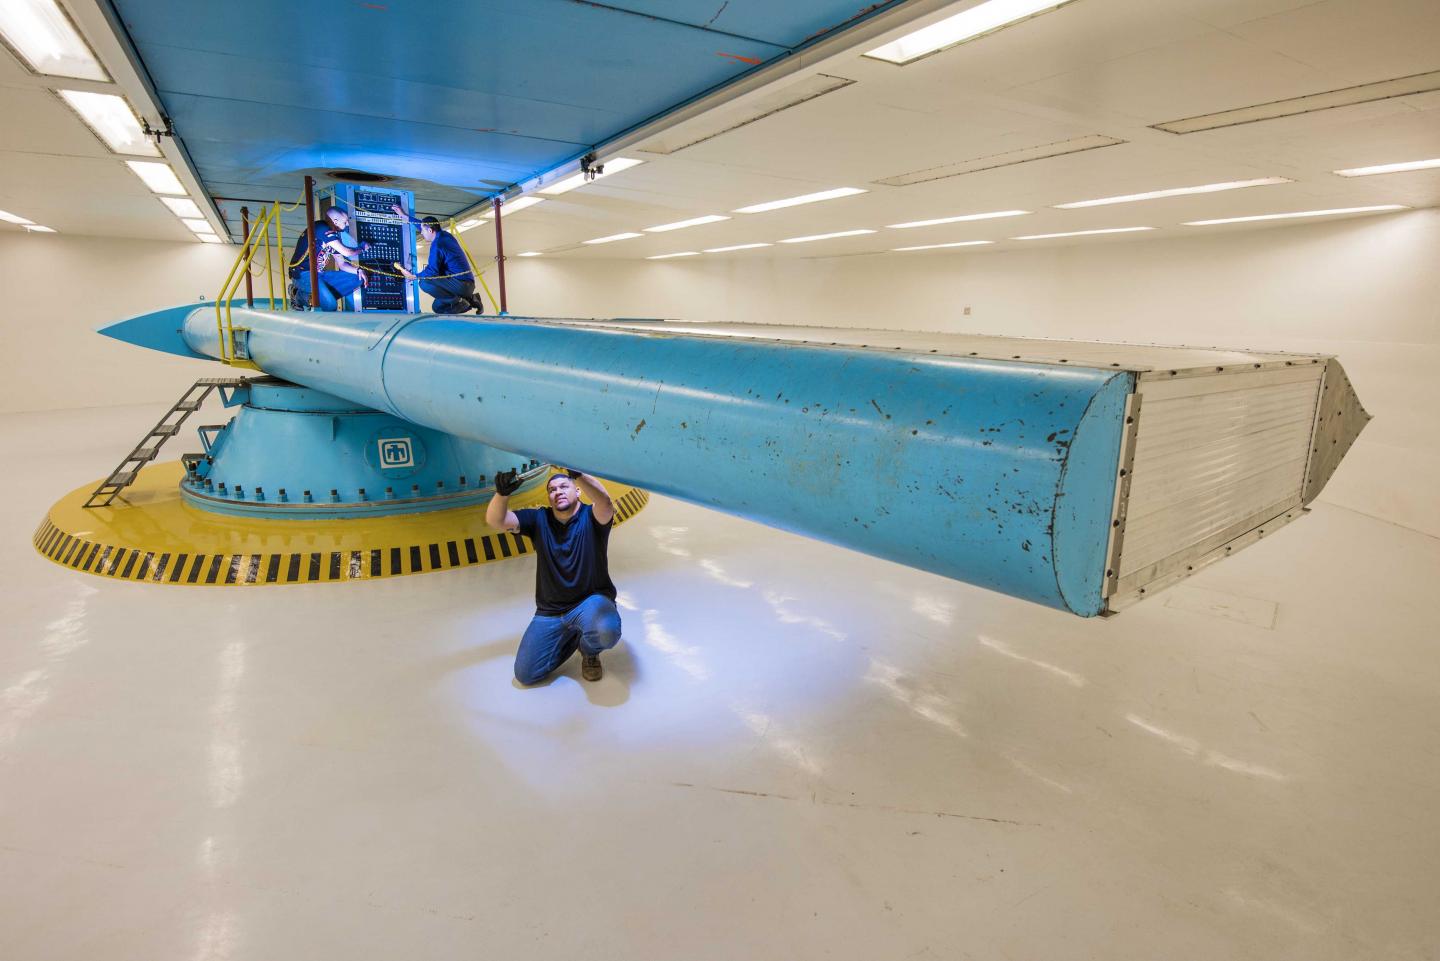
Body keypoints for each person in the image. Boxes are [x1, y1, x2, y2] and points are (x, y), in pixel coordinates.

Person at [487, 468, 621, 684]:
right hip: (550, 611)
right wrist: (502, 494)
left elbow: (605, 502)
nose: (557, 491)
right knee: (525, 675)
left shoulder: (592, 517)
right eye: (552, 490)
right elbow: (497, 521)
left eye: (563, 486)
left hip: (589, 603)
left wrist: (578, 474)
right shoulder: (539, 519)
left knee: (607, 631)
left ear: (577, 491)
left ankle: (589, 651)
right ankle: (574, 636)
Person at [390, 205, 484, 315]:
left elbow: (432, 271)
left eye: (423, 231)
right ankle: (472, 300)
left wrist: (414, 276)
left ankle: (460, 301)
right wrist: (404, 216)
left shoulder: (437, 246)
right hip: (463, 284)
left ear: (430, 230)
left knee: (424, 282)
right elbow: (421, 225)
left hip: (461, 284)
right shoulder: (444, 235)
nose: (421, 233)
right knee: (437, 308)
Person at [289, 205, 369, 311]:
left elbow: (342, 264)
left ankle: (321, 298)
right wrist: (362, 248)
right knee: (330, 306)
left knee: (358, 278)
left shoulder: (334, 235)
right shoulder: (322, 228)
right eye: (345, 221)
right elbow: (347, 252)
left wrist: (359, 270)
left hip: (320, 274)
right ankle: (297, 295)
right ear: (335, 221)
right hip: (303, 274)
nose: (348, 224)